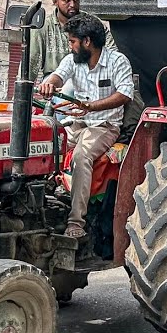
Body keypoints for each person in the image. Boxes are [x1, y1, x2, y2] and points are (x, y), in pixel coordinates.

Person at [37, 13, 134, 239]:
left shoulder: (118, 61)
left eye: (72, 42)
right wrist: (48, 84)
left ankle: (76, 222)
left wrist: (92, 107)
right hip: (78, 122)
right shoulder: (72, 60)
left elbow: (125, 94)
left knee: (81, 156)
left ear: (87, 42)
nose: (70, 46)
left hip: (105, 126)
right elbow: (58, 76)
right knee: (48, 146)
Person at [29, 0, 117, 83]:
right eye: (67, 0)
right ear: (55, 2)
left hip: (89, 77)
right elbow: (31, 63)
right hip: (55, 81)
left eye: (76, 0)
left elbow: (112, 53)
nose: (72, 4)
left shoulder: (93, 23)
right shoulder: (43, 27)